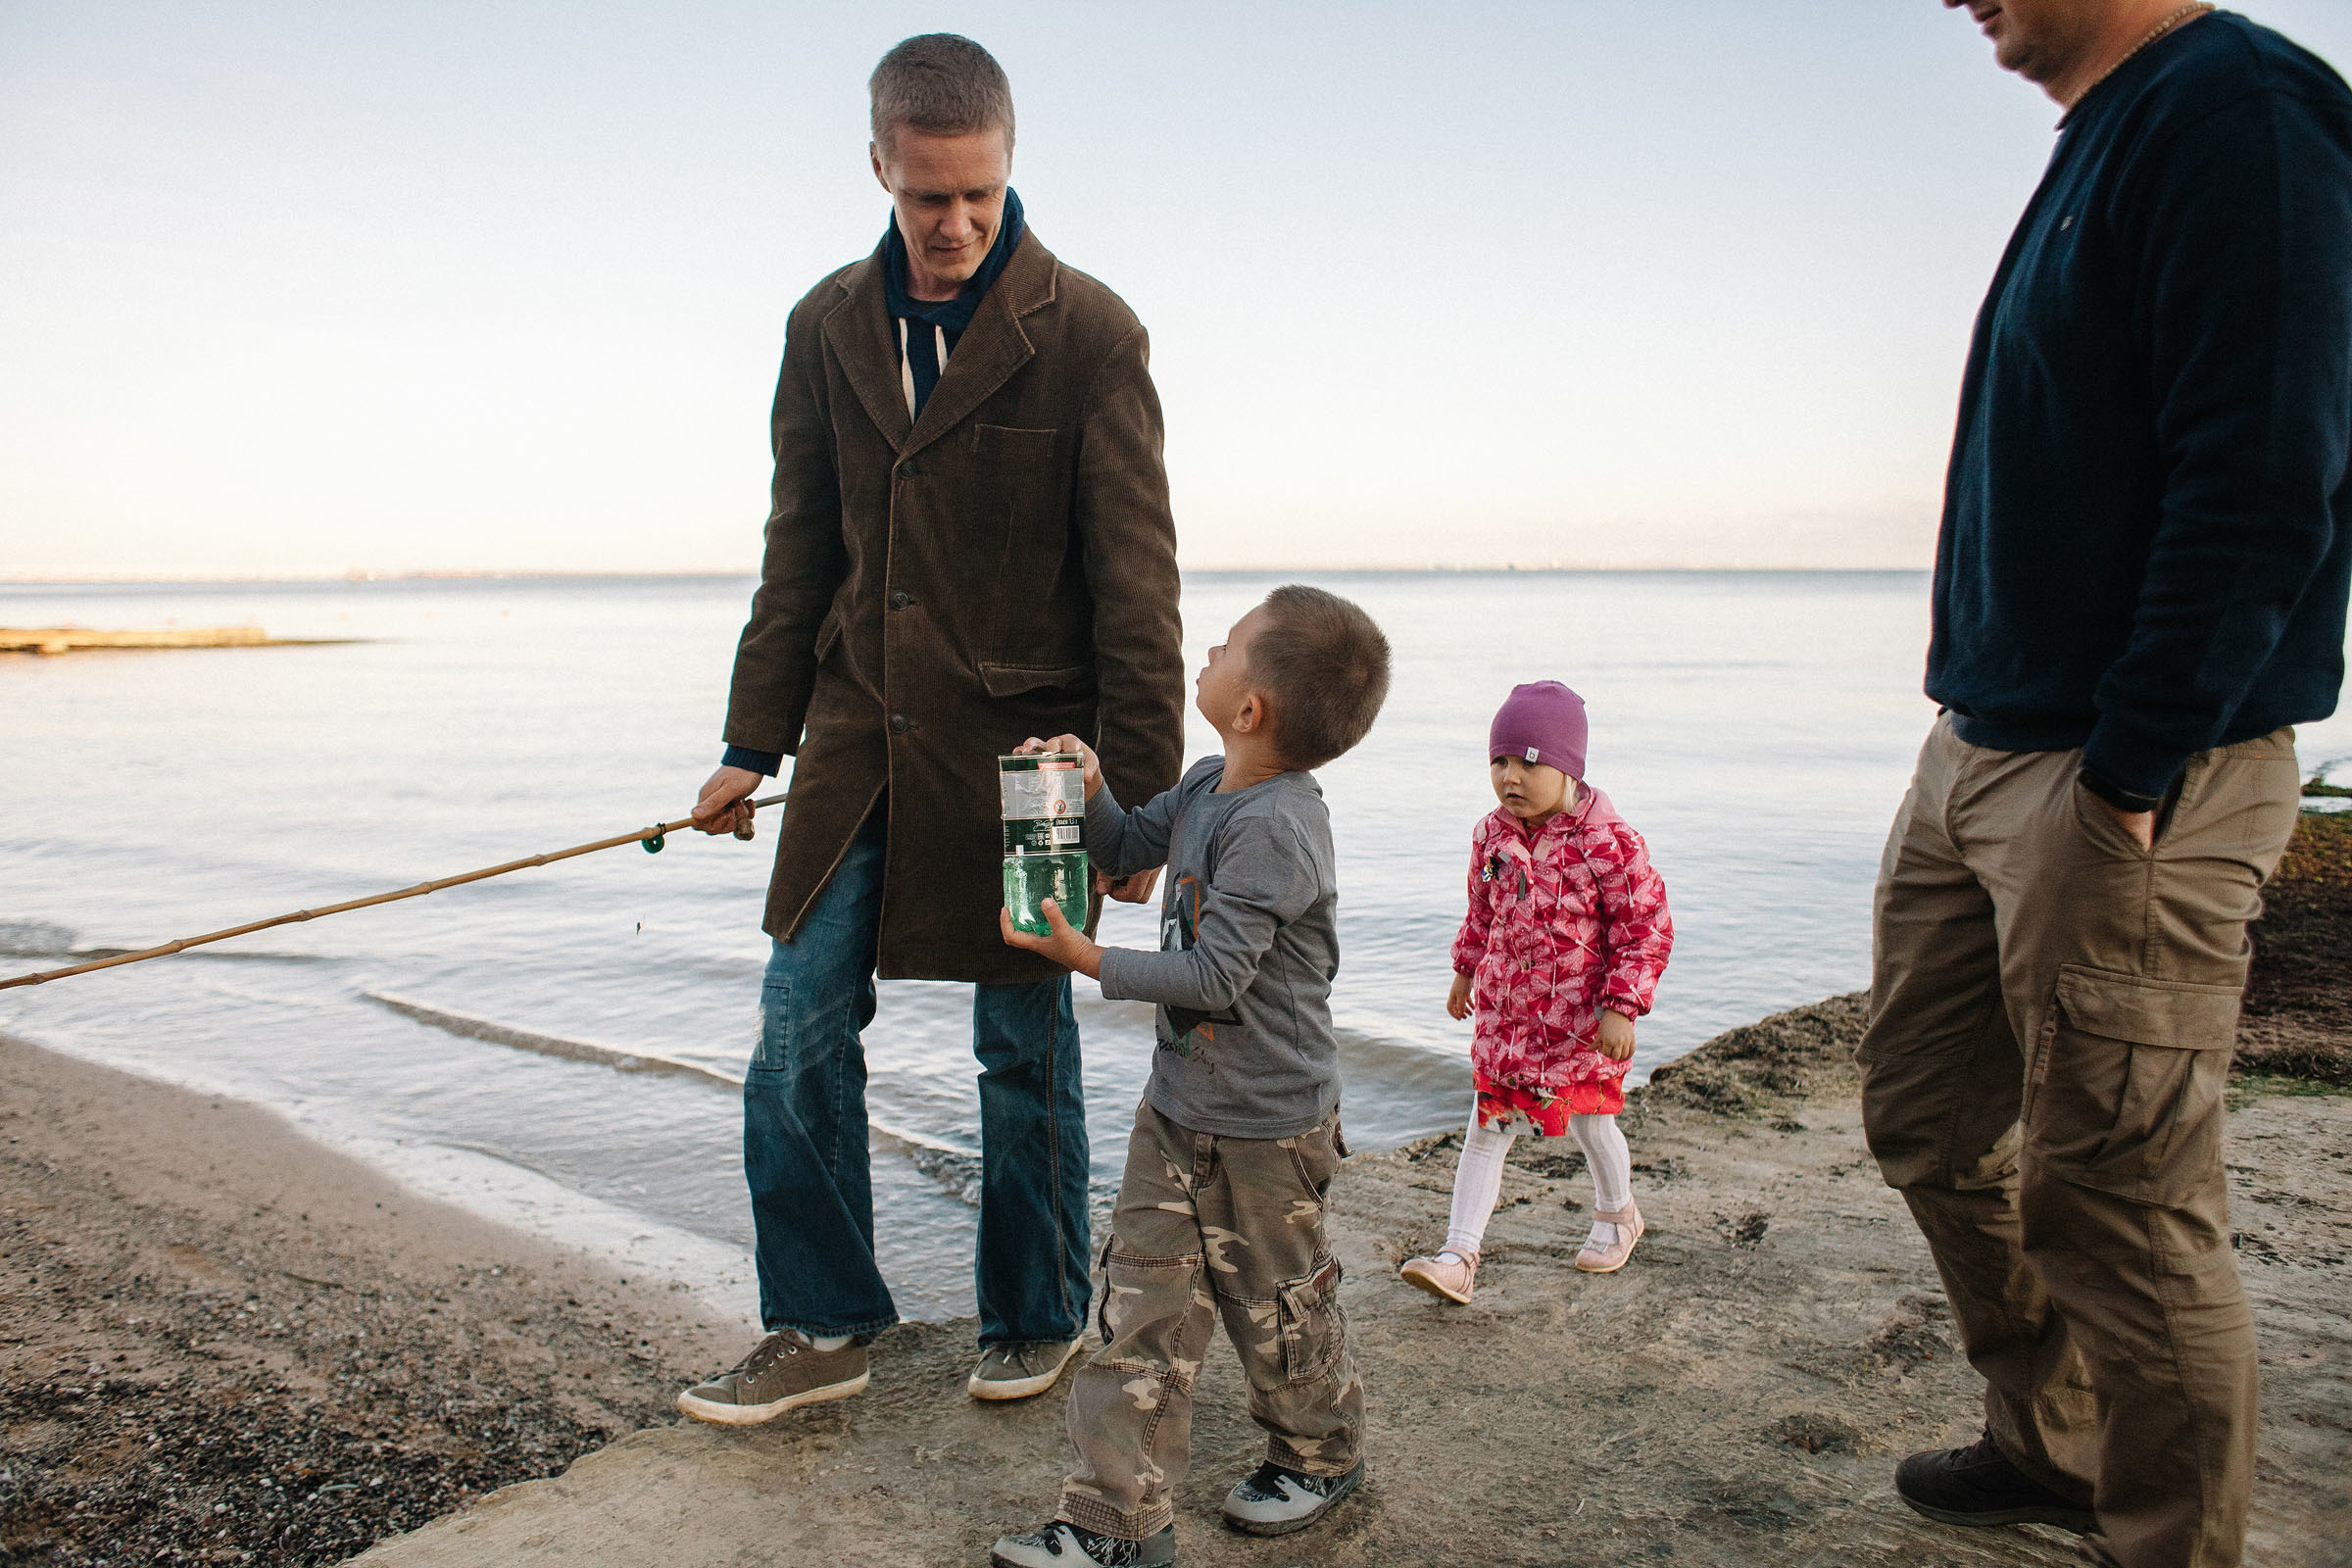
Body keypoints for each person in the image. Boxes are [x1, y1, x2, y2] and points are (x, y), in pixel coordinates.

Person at [1863, 5, 2352, 1564]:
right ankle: (2055, 1446)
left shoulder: (2244, 112)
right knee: (1930, 1123)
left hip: (2125, 771)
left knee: (2126, 1208)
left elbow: (2266, 472)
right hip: (1980, 744)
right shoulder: (2112, 130)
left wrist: (2139, 760)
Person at [675, 32, 1185, 1423]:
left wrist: (1141, 806)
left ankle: (1035, 1314)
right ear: (879, 168)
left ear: (1009, 164)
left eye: (977, 193)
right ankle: (823, 1321)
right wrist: (749, 746)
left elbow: (1138, 589)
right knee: (796, 1022)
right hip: (855, 741)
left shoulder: (1092, 332)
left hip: (1032, 767)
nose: (954, 223)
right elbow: (799, 552)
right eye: (925, 197)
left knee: (1022, 1046)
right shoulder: (824, 325)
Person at [988, 585, 1393, 1568]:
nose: (1207, 649)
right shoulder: (1211, 782)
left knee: (1278, 1304)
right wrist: (1090, 790)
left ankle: (1319, 1453)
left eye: (1227, 645)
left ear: (1250, 708)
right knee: (1140, 1304)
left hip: (1269, 1126)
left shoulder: (1279, 829)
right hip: (1177, 1106)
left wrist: (1087, 959)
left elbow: (1214, 977)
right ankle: (1116, 1521)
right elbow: (1129, 843)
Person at [1397, 680, 1673, 1302]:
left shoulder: (1609, 843)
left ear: (1568, 767)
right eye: (1499, 761)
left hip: (1581, 1022)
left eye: (1528, 762)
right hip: (1508, 1018)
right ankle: (1458, 1254)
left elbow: (1645, 927)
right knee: (1487, 1126)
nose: (1510, 777)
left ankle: (1618, 1215)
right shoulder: (1491, 837)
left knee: (1591, 1123)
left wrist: (1622, 1007)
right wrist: (1465, 970)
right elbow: (1481, 911)